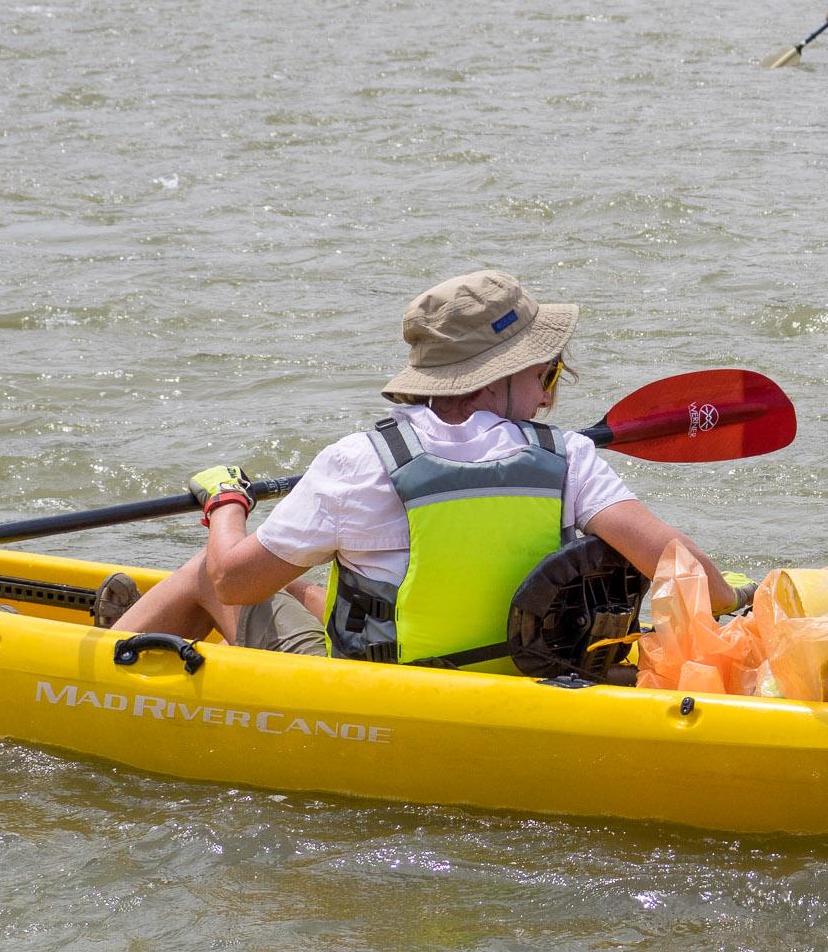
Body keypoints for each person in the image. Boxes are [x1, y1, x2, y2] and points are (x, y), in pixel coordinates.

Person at [106, 270, 746, 669]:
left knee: (208, 573)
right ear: (501, 376)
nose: (550, 396)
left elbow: (236, 581)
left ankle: (103, 666)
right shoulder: (569, 459)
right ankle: (129, 635)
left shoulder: (356, 463)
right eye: (546, 374)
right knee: (309, 586)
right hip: (519, 678)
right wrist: (735, 602)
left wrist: (225, 505)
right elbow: (695, 580)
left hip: (380, 692)